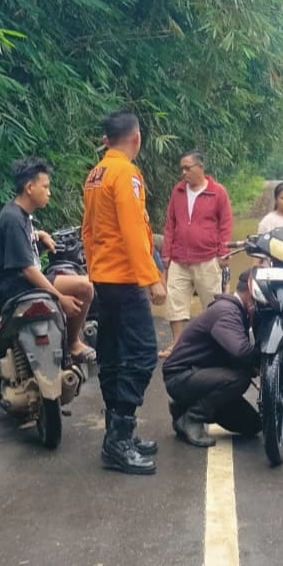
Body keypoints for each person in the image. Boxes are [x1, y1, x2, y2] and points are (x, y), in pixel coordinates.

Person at [82, 111, 165, 474]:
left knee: (113, 354)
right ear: (136, 138)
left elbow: (87, 231)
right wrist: (151, 278)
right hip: (125, 278)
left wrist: (94, 268)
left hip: (104, 277)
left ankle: (118, 434)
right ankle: (118, 437)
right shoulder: (125, 173)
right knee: (143, 353)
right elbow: (132, 230)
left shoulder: (96, 174)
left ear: (107, 139)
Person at [0, 157, 94, 363]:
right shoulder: (14, 219)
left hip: (18, 283)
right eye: (45, 186)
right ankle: (73, 343)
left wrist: (39, 234)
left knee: (80, 282)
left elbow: (22, 239)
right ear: (29, 188)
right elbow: (28, 270)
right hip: (14, 288)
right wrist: (60, 298)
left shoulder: (18, 214)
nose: (49, 192)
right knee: (86, 287)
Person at [161, 269, 262, 447]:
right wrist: (264, 357)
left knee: (253, 425)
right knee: (240, 378)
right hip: (181, 376)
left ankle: (183, 407)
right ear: (250, 292)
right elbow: (241, 352)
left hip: (200, 375)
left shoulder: (238, 312)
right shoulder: (226, 311)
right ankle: (192, 417)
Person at [161, 151, 233, 355]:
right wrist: (166, 253)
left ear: (200, 167)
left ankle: (211, 344)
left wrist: (223, 252)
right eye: (182, 169)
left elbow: (225, 224)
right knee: (175, 300)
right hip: (179, 257)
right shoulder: (178, 191)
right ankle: (177, 343)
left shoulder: (217, 192)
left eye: (187, 168)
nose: (183, 172)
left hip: (207, 256)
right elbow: (170, 223)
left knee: (212, 302)